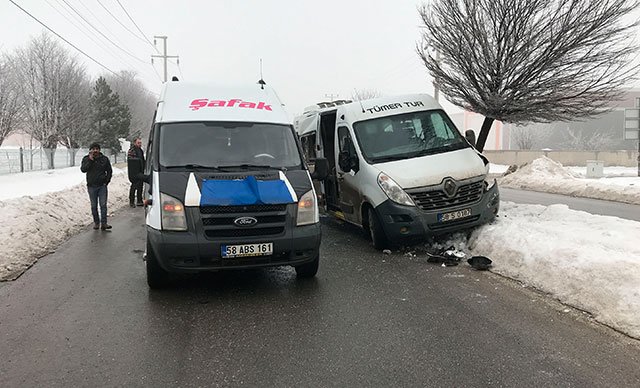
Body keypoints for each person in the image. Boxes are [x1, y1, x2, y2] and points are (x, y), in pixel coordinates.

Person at [81, 143, 113, 230]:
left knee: (103, 205)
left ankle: (104, 223)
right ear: (90, 150)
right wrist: (90, 160)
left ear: (99, 150)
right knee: (94, 206)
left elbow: (109, 171)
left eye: (97, 149)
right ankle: (96, 223)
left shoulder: (104, 159)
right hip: (91, 186)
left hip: (102, 186)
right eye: (93, 149)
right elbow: (83, 169)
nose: (95, 150)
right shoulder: (86, 159)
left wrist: (107, 181)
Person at [127, 137, 145, 207]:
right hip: (134, 172)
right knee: (134, 186)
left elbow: (142, 159)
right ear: (134, 143)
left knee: (140, 186)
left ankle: (139, 201)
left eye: (140, 143)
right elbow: (132, 161)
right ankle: (131, 202)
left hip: (140, 170)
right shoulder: (131, 150)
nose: (140, 144)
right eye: (138, 143)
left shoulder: (140, 150)